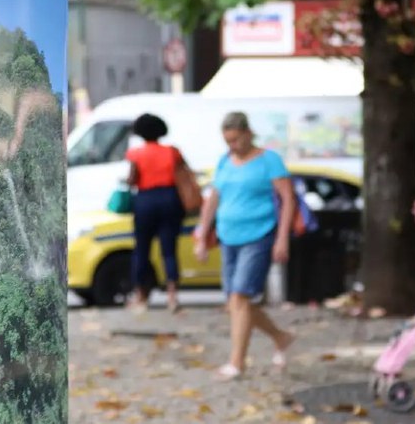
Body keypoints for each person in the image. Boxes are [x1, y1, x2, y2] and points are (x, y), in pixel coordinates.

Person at [194, 112, 296, 381]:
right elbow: (212, 200)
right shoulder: (225, 161)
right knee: (235, 304)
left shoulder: (269, 160)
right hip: (228, 237)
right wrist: (202, 235)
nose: (232, 146)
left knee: (239, 297)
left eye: (236, 140)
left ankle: (237, 363)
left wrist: (282, 237)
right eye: (228, 141)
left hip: (259, 235)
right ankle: (280, 336)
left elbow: (288, 199)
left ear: (248, 133)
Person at [125, 113, 186, 314]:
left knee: (141, 249)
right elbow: (183, 175)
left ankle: (141, 296)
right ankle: (172, 296)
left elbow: (133, 179)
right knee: (169, 249)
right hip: (170, 198)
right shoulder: (172, 152)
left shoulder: (136, 153)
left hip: (145, 201)